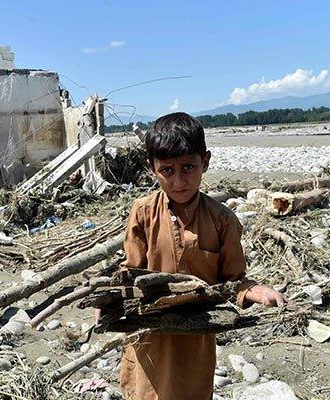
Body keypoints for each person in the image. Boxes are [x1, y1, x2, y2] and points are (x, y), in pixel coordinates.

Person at [117, 112, 286, 400]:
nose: (179, 180)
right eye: (167, 170)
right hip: (149, 336)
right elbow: (129, 272)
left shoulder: (222, 220)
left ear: (205, 162)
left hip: (196, 338)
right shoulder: (143, 212)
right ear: (152, 169)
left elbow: (233, 282)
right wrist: (110, 299)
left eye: (188, 167)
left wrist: (255, 291)